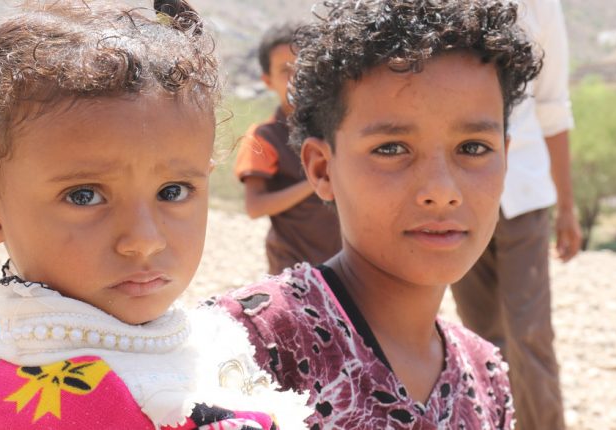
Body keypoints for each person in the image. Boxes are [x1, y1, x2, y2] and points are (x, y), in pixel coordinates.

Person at [0, 2, 308, 429]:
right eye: (84, 196)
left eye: (172, 191)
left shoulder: (23, 339)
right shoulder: (93, 404)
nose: (144, 240)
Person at [215, 0, 544, 427]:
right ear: (322, 169)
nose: (441, 192)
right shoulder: (251, 346)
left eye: (473, 148)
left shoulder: (486, 375)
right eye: (391, 149)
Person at [450, 1, 581, 428]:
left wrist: (566, 207)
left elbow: (552, 105)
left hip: (523, 192)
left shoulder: (540, 7)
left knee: (530, 333)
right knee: (478, 335)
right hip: (456, 193)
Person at [234, 22, 341, 275]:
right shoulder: (264, 137)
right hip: (292, 267)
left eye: (304, 66)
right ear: (267, 81)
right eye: (285, 70)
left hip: (346, 264)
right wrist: (316, 181)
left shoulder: (338, 126)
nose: (297, 77)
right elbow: (255, 206)